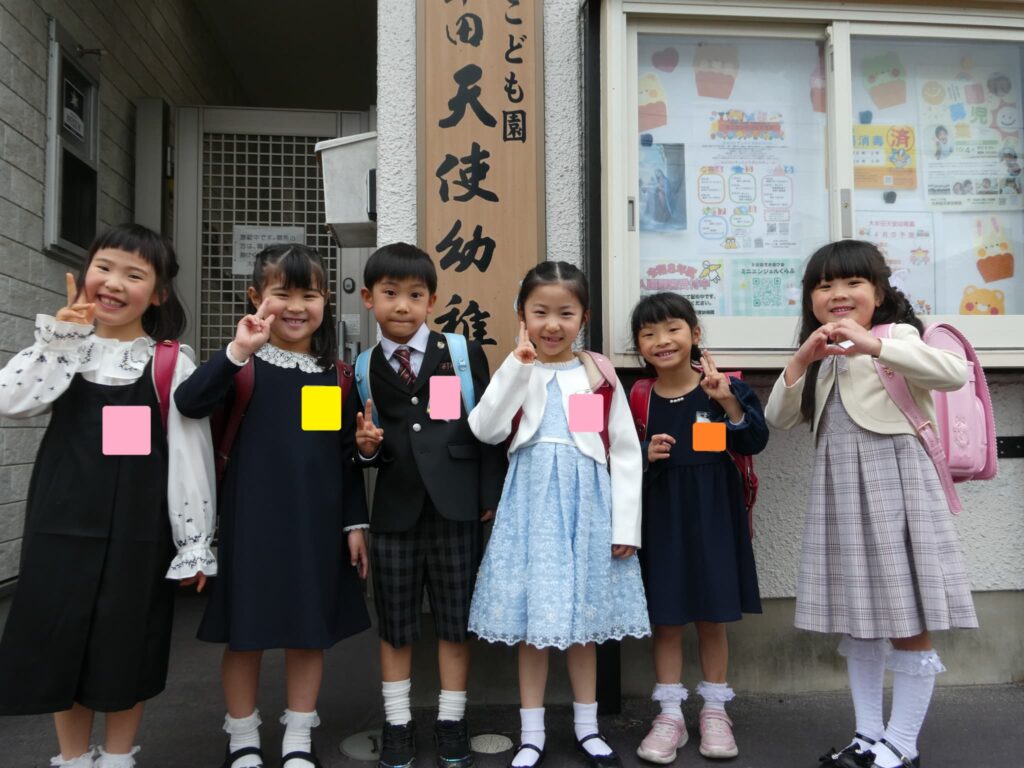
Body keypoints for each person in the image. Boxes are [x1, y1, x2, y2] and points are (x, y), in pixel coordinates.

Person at [0, 223, 216, 768]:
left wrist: (195, 541)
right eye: (104, 267)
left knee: (127, 644)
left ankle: (119, 758)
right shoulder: (64, 348)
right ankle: (72, 759)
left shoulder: (170, 362)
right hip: (60, 523)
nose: (114, 283)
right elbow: (13, 401)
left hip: (138, 531)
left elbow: (190, 457)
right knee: (61, 641)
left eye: (134, 275)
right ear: (85, 272)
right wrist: (59, 338)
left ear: (159, 293)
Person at [765, 240, 977, 768]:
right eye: (823, 285)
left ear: (878, 293)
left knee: (907, 617)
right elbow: (778, 418)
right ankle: (867, 736)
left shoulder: (896, 336)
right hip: (841, 493)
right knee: (857, 618)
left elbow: (954, 373)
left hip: (898, 487)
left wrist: (874, 345)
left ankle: (902, 744)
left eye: (852, 282)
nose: (837, 294)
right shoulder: (822, 356)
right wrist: (802, 359)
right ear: (810, 299)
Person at [174, 244, 370, 768]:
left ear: (326, 301)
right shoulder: (242, 366)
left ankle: (298, 738)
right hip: (250, 523)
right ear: (256, 297)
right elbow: (188, 402)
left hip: (316, 526)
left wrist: (354, 523)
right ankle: (242, 738)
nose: (296, 307)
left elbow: (342, 456)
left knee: (309, 634)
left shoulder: (335, 375)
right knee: (246, 637)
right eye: (283, 293)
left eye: (310, 295)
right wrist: (238, 351)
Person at [467, 261, 650, 768]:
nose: (552, 325)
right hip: (529, 506)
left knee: (583, 623)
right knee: (535, 623)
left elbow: (623, 450)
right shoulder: (517, 366)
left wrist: (625, 526)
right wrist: (517, 366)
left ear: (583, 317)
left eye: (565, 313)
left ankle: (588, 729)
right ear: (522, 316)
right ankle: (532, 733)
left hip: (587, 505)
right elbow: (484, 428)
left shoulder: (598, 373)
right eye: (540, 312)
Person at [353, 242, 505, 768]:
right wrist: (364, 449)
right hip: (393, 513)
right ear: (369, 298)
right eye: (390, 293)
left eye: (415, 295)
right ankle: (397, 722)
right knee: (395, 624)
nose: (402, 305)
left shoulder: (461, 353)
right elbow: (362, 445)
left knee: (454, 622)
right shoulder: (362, 367)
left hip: (457, 509)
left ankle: (451, 720)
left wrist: (489, 496)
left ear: (432, 301)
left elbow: (488, 428)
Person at [629, 292, 767, 764]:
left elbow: (755, 440)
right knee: (666, 618)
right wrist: (644, 454)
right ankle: (669, 716)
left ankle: (714, 711)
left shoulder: (724, 386)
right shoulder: (639, 396)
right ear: (639, 346)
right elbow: (617, 456)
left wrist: (727, 401)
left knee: (712, 616)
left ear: (695, 334)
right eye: (649, 333)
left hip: (714, 514)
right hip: (661, 517)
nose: (662, 340)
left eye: (673, 329)